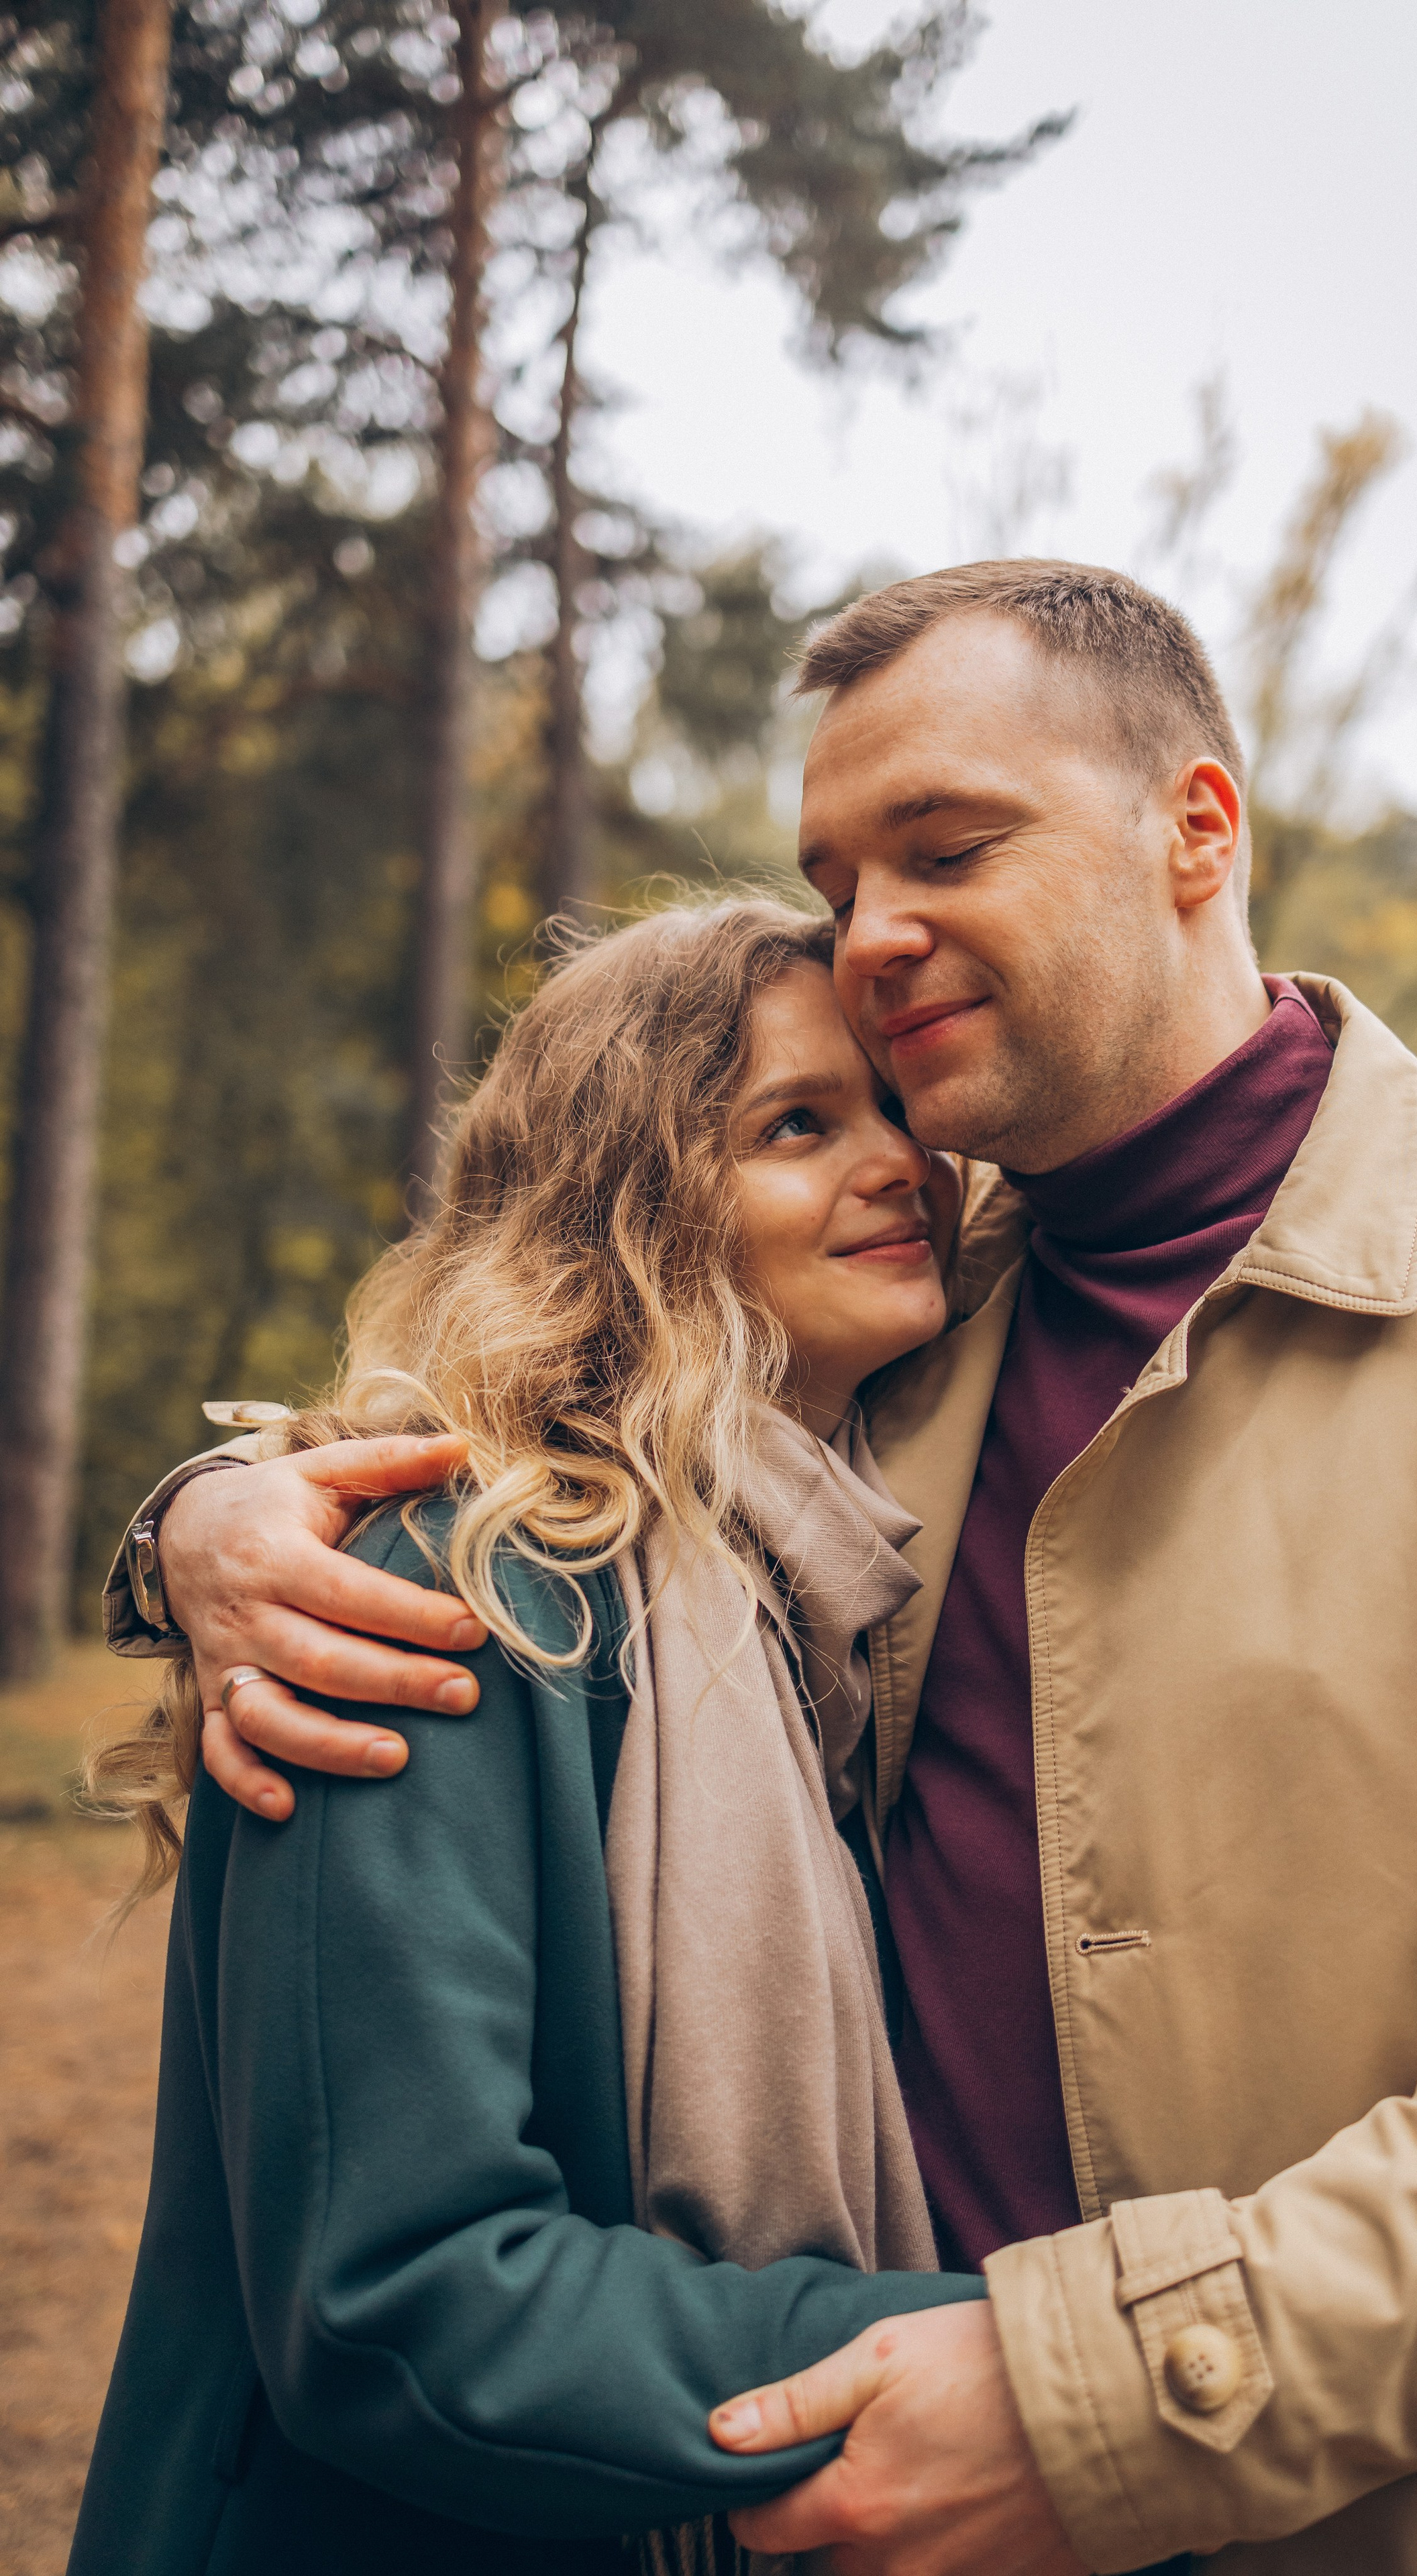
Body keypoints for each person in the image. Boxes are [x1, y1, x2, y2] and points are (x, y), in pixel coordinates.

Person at [109, 562, 1417, 2576]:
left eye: (945, 851)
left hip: (1386, 2514)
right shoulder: (905, 1314)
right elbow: (556, 1407)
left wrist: (1103, 2393)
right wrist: (207, 1520)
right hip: (873, 2499)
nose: (871, 935)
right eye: (836, 878)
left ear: (1197, 830)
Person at [72, 900, 1002, 2576]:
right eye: (796, 1126)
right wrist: (1033, 2368)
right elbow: (398, 2300)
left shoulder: (826, 1605)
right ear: (629, 1207)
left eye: (894, 1109)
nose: (897, 1165)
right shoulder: (462, 1594)